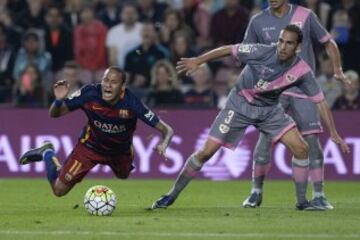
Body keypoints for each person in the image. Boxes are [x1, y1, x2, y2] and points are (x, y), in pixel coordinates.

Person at [150, 24, 349, 211]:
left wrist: (333, 132)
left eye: (289, 43)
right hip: (239, 105)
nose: (282, 46)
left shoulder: (302, 71)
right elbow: (229, 49)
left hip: (269, 110)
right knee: (205, 152)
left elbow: (320, 101)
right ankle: (171, 195)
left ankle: (302, 202)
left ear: (298, 47)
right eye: (281, 41)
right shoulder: (261, 51)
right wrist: (198, 60)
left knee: (302, 148)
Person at [241, 0, 349, 210]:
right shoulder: (258, 21)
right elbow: (248, 54)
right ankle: (255, 193)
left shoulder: (305, 15)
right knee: (265, 139)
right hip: (273, 91)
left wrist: (337, 70)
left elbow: (328, 41)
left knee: (312, 140)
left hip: (302, 89)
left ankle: (318, 195)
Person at [19, 66, 174, 197]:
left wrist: (164, 143)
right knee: (59, 191)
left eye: (114, 82)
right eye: (106, 80)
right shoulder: (90, 93)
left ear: (122, 87)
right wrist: (58, 100)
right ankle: (47, 152)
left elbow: (167, 129)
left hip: (119, 151)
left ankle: (125, 151)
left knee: (123, 175)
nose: (107, 85)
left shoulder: (132, 103)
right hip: (90, 147)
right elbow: (54, 114)